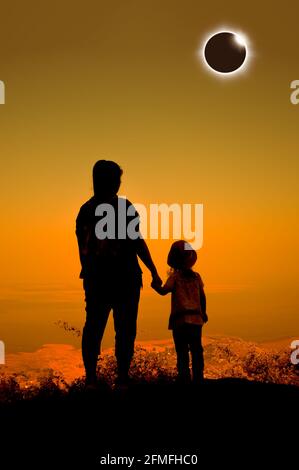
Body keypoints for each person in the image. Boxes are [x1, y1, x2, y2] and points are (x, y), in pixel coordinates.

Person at [76, 160, 162, 388]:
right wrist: (153, 270)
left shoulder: (85, 211)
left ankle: (93, 380)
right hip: (124, 280)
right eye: (116, 180)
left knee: (96, 328)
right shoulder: (123, 208)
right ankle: (120, 378)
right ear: (109, 181)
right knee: (122, 330)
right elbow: (137, 242)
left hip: (100, 281)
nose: (118, 184)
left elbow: (84, 252)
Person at [151, 240, 208, 384]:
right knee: (196, 349)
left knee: (182, 350)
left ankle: (184, 376)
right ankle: (198, 376)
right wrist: (204, 312)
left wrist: (155, 286)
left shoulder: (175, 278)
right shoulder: (197, 277)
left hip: (179, 320)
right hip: (196, 319)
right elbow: (202, 296)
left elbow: (164, 291)